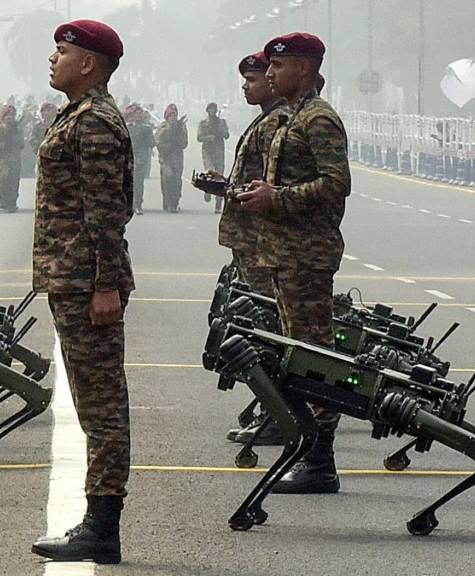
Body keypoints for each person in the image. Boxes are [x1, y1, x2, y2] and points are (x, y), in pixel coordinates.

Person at [30, 20, 134, 565]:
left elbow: (107, 213)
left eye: (63, 50)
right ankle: (97, 521)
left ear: (89, 63)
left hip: (85, 282)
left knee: (102, 408)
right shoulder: (78, 115)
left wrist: (105, 284)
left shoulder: (94, 122)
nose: (53, 57)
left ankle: (102, 526)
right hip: (70, 278)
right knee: (95, 405)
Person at [235, 32, 352, 494]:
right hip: (286, 253)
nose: (269, 74)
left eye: (278, 67)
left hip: (307, 254)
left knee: (314, 357)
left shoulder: (319, 118)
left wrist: (276, 197)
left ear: (303, 69)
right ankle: (307, 449)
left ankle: (321, 462)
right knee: (297, 353)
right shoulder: (294, 116)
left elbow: (336, 183)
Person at [221, 51, 289, 446]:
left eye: (253, 78)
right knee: (262, 330)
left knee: (269, 332)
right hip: (250, 241)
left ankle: (278, 416)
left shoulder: (277, 122)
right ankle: (271, 412)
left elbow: (270, 186)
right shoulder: (264, 120)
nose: (247, 85)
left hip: (262, 243)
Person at [197, 102, 230, 213]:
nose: (212, 111)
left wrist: (219, 130)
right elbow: (199, 137)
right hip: (208, 151)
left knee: (219, 178)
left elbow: (227, 135)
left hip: (219, 151)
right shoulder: (203, 123)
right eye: (210, 109)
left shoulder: (221, 122)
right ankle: (207, 190)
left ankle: (218, 203)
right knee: (210, 172)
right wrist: (209, 137)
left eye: (214, 109)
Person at [0, 105, 24, 212]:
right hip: (2, 159)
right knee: (3, 180)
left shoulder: (17, 129)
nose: (9, 118)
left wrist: (14, 138)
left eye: (11, 115)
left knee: (14, 181)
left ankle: (12, 203)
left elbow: (22, 144)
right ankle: (3, 199)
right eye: (7, 115)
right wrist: (4, 143)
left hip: (14, 159)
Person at [155, 104, 187, 212]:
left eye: (175, 116)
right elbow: (158, 143)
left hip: (177, 158)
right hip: (166, 158)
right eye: (171, 116)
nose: (173, 118)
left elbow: (184, 143)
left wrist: (177, 139)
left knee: (177, 181)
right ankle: (167, 200)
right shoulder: (162, 127)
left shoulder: (181, 127)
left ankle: (174, 203)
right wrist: (167, 143)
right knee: (168, 177)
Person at [124, 103, 154, 214]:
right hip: (129, 158)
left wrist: (145, 138)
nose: (138, 115)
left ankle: (137, 205)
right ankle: (129, 204)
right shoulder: (128, 127)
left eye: (140, 113)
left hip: (141, 159)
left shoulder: (146, 128)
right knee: (129, 183)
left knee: (139, 183)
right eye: (136, 113)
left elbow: (152, 143)